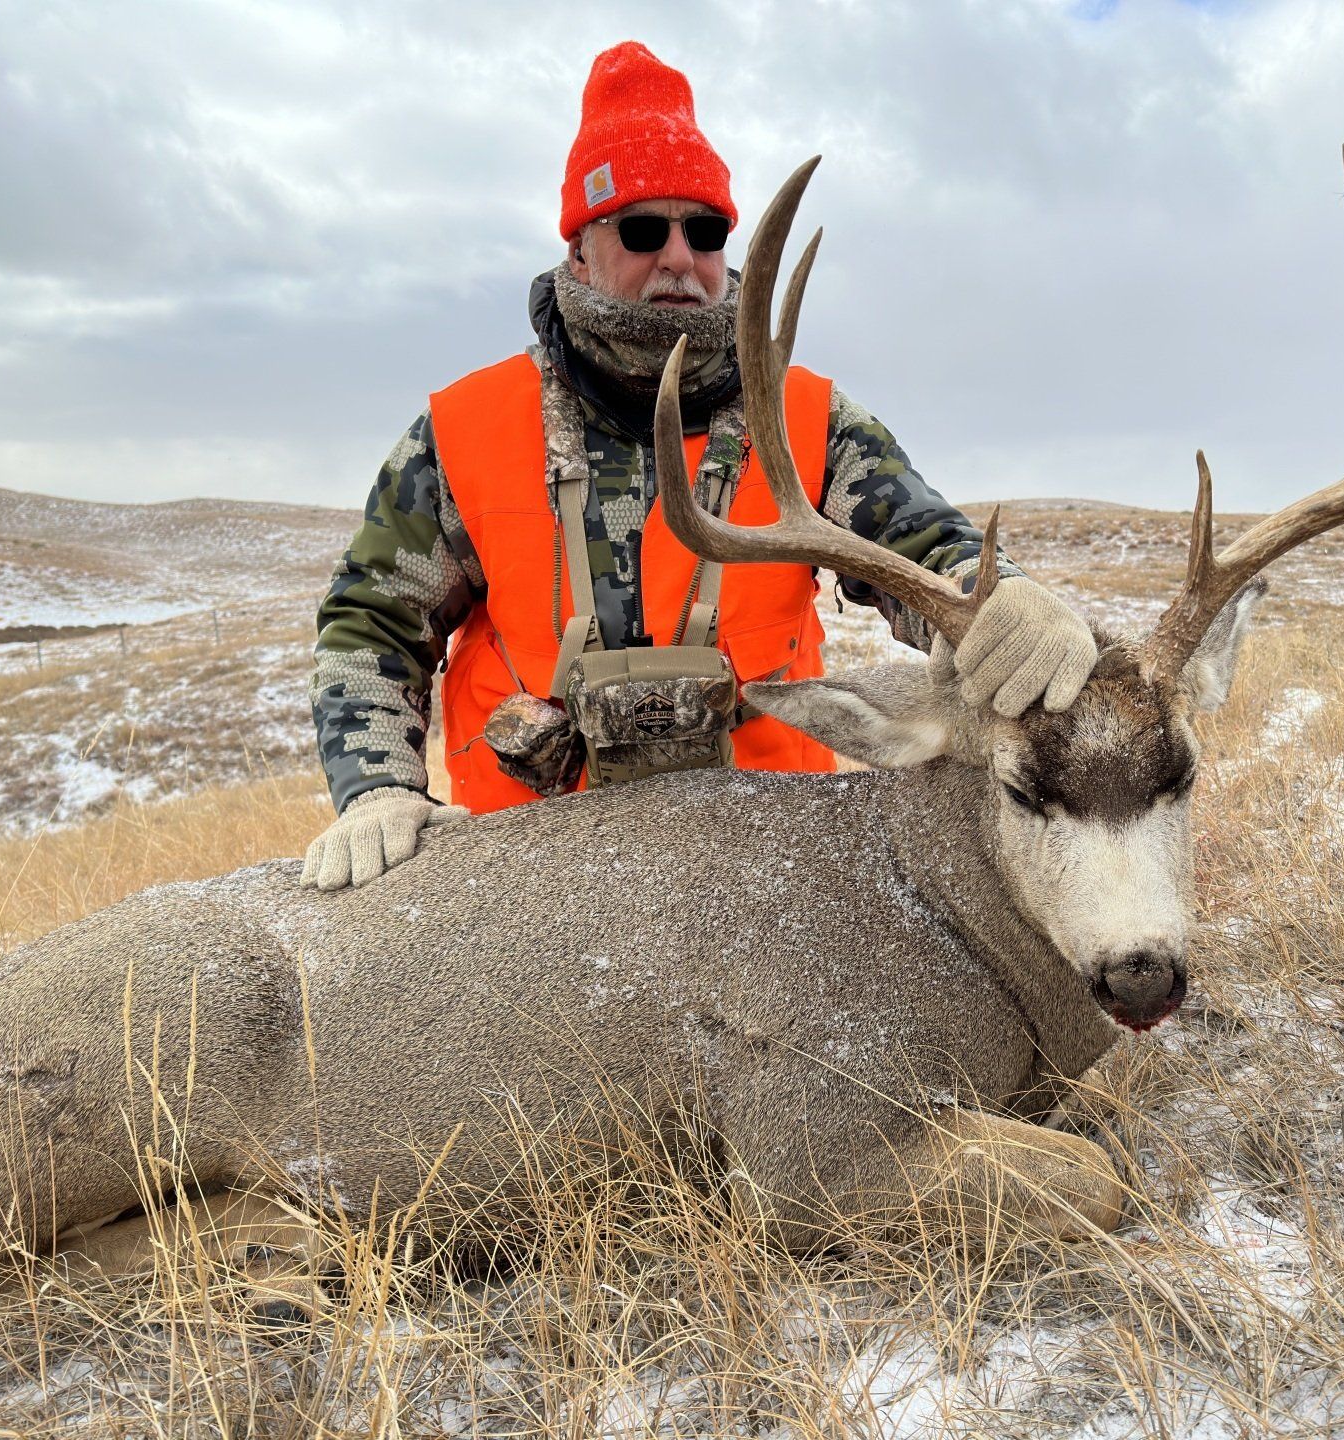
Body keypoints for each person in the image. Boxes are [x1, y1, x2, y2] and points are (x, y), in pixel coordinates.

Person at [301, 41, 1095, 891]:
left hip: (768, 869)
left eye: (705, 229)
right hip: (527, 884)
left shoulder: (806, 420)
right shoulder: (463, 430)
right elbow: (373, 622)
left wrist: (1001, 601)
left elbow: (924, 551)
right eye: (643, 229)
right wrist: (378, 786)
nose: (679, 258)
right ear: (580, 248)